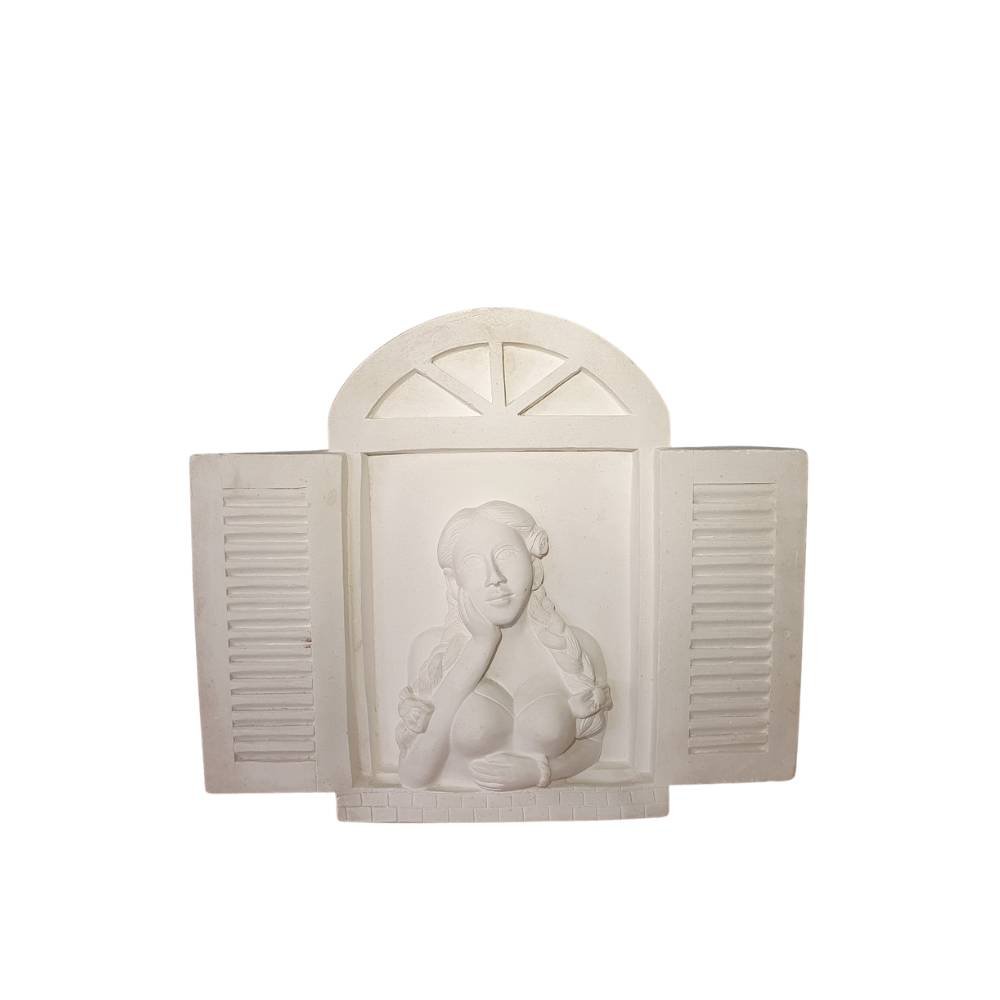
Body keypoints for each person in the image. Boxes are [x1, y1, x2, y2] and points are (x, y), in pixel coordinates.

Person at [396, 501, 612, 790]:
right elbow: (413, 775)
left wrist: (542, 772)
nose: (494, 577)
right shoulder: (431, 649)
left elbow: (593, 746)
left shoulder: (578, 647)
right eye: (473, 562)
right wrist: (480, 646)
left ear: (533, 563)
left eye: (506, 554)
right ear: (453, 580)